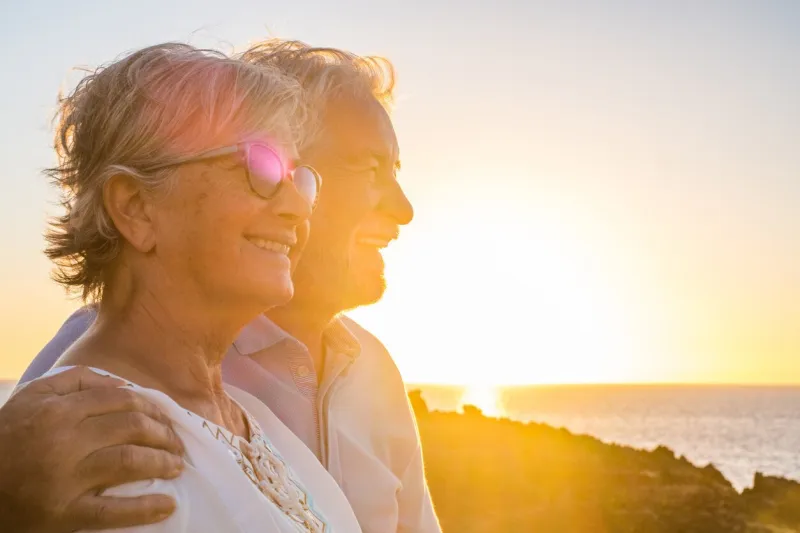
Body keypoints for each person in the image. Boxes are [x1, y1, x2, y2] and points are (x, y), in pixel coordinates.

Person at [16, 40, 440, 533]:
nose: (299, 206)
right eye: (259, 167)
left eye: (301, 178)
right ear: (134, 206)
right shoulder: (85, 424)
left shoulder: (251, 416)